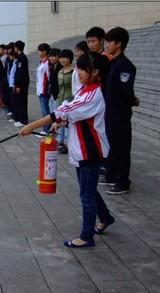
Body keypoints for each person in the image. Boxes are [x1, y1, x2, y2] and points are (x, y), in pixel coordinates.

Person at [19, 52, 115, 248]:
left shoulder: (92, 94)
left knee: (86, 195)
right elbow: (71, 114)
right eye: (78, 68)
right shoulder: (85, 90)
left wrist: (32, 126)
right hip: (82, 150)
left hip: (90, 151)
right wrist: (60, 124)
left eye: (83, 68)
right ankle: (105, 217)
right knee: (88, 189)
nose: (78, 72)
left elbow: (61, 112)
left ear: (95, 72)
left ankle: (86, 237)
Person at [100, 27, 137, 195]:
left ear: (119, 44)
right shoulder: (113, 63)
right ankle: (111, 175)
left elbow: (125, 91)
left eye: (109, 42)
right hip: (110, 112)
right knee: (112, 145)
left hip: (119, 114)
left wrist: (133, 100)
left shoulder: (125, 65)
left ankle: (123, 181)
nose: (106, 45)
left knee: (121, 147)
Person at [57, 49, 74, 154]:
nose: (62, 60)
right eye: (61, 58)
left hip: (70, 101)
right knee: (59, 122)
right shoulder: (60, 71)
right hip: (60, 100)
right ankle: (60, 142)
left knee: (67, 124)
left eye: (65, 57)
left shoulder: (74, 71)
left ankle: (68, 145)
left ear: (70, 59)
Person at [13, 40, 30, 127]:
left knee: (22, 102)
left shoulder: (22, 58)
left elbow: (21, 73)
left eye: (14, 47)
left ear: (17, 48)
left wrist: (18, 85)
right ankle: (19, 118)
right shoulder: (20, 57)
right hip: (19, 84)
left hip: (22, 84)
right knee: (19, 101)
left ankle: (23, 120)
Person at [36, 43, 51, 132]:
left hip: (44, 90)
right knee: (43, 111)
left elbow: (48, 77)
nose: (38, 52)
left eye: (39, 50)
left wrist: (46, 89)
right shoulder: (41, 62)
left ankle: (46, 130)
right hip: (39, 89)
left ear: (44, 51)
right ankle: (45, 129)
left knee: (46, 112)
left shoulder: (47, 63)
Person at [48, 48, 62, 113]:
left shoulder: (61, 67)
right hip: (52, 94)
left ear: (59, 57)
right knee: (52, 112)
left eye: (53, 56)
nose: (51, 58)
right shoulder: (52, 66)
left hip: (58, 95)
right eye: (50, 56)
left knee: (56, 114)